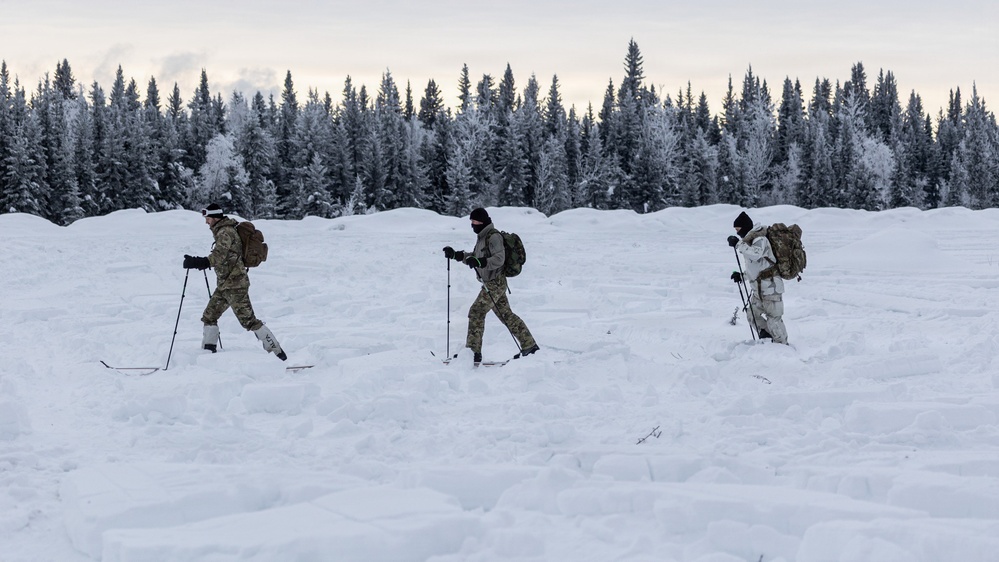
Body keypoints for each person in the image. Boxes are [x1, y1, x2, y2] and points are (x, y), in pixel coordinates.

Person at [183, 203, 287, 361]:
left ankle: (277, 353)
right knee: (210, 315)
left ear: (216, 218)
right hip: (226, 284)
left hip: (235, 285)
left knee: (249, 321)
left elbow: (219, 256)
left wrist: (199, 262)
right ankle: (208, 352)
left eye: (208, 218)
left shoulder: (225, 232)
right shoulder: (223, 230)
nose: (206, 222)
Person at [442, 208, 539, 364]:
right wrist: (456, 255)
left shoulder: (493, 237)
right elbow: (475, 258)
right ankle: (530, 346)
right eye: (471, 222)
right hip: (491, 283)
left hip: (496, 283)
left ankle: (473, 353)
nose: (472, 225)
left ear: (482, 222)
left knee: (476, 312)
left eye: (474, 222)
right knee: (506, 316)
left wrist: (481, 262)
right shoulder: (482, 237)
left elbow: (499, 259)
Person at [727, 211, 788, 344]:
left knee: (774, 320)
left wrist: (738, 244)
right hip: (758, 290)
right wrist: (742, 276)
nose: (738, 233)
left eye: (738, 230)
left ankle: (783, 347)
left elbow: (756, 255)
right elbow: (756, 267)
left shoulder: (760, 240)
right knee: (752, 316)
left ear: (745, 227)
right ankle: (767, 338)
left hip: (771, 287)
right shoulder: (749, 242)